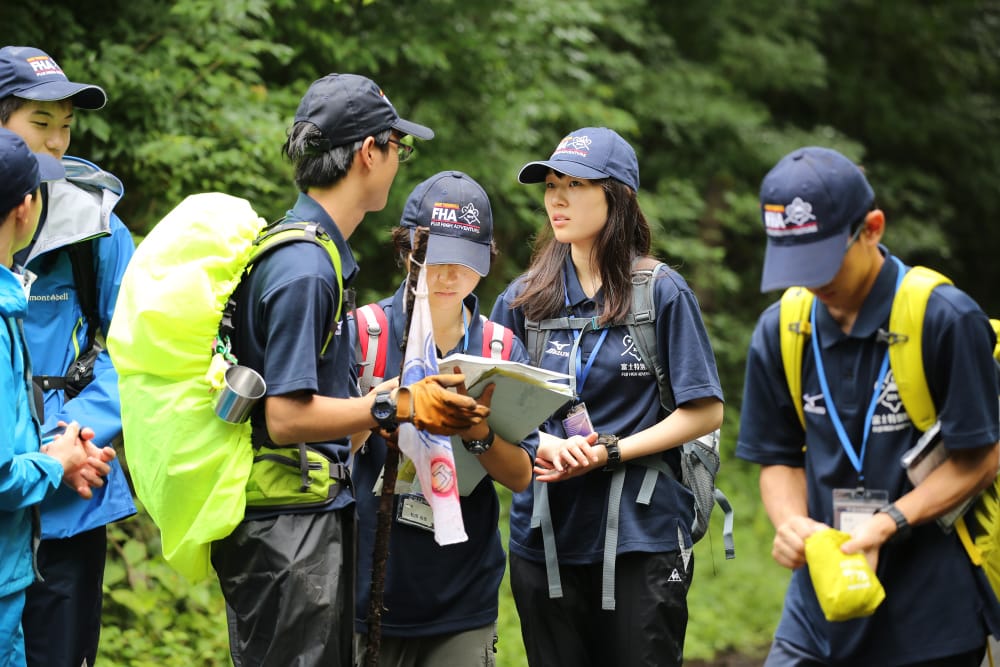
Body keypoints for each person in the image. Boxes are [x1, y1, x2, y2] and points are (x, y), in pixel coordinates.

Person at [209, 74, 489, 667]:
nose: (397, 162)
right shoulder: (307, 266)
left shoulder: (313, 250)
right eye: (398, 147)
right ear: (369, 152)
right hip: (288, 536)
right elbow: (285, 417)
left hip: (298, 526)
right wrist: (396, 405)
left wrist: (380, 398)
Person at [736, 146, 1000, 665]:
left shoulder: (944, 319)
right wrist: (792, 524)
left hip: (931, 611)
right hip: (821, 604)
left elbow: (981, 458)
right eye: (795, 263)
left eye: (823, 260)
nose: (812, 280)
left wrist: (888, 523)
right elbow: (779, 456)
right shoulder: (783, 328)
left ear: (872, 228)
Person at [490, 127, 724, 666]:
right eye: (551, 184)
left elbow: (704, 410)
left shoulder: (660, 291)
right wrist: (541, 445)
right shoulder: (524, 300)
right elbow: (490, 403)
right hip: (545, 538)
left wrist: (611, 451)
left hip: (641, 540)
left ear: (616, 196)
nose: (557, 198)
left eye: (575, 184)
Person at [352, 170, 537, 666]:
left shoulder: (499, 349)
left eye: (465, 262)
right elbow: (328, 450)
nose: (449, 276)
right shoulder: (367, 335)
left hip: (462, 598)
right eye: (436, 258)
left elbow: (521, 476)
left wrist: (477, 432)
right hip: (361, 593)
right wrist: (388, 405)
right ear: (407, 251)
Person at [0, 45, 136, 667]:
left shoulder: (96, 222)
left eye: (65, 125)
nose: (55, 142)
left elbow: (136, 346)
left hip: (71, 496)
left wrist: (71, 440)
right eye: (39, 123)